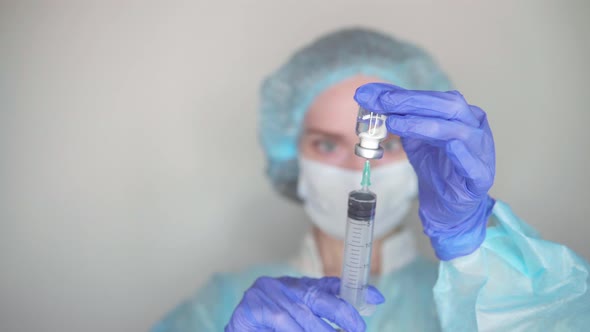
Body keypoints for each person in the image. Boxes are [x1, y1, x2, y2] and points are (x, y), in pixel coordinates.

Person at [152, 28, 590, 331]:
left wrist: (468, 243)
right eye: (326, 144)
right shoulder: (227, 305)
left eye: (391, 145)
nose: (353, 166)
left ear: (422, 154)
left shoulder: (478, 295)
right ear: (290, 155)